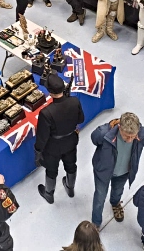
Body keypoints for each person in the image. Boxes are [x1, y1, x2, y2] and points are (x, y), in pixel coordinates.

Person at [91, 112, 144, 228]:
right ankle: (96, 222)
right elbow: (94, 139)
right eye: (126, 136)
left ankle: (115, 203)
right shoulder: (104, 133)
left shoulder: (143, 135)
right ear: (119, 127)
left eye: (133, 136)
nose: (130, 139)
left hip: (124, 171)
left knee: (118, 190)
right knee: (100, 197)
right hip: (104, 171)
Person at [35, 74, 84, 204]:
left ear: (49, 92)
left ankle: (49, 194)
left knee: (51, 170)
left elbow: (42, 136)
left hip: (53, 147)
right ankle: (70, 188)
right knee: (71, 165)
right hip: (70, 141)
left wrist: (38, 151)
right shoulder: (75, 101)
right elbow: (81, 119)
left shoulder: (46, 112)